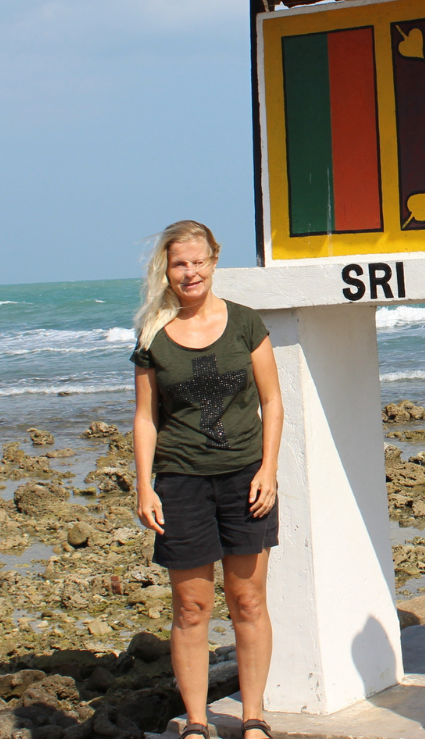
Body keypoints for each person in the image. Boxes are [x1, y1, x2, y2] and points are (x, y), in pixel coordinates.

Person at [131, 221, 283, 739]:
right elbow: (146, 417)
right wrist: (145, 485)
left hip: (245, 479)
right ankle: (196, 722)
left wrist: (268, 469)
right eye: (180, 264)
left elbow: (272, 402)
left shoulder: (245, 323)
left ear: (214, 261)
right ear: (167, 270)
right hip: (181, 482)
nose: (190, 272)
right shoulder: (152, 334)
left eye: (198, 261)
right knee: (192, 608)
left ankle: (253, 717)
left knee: (248, 602)